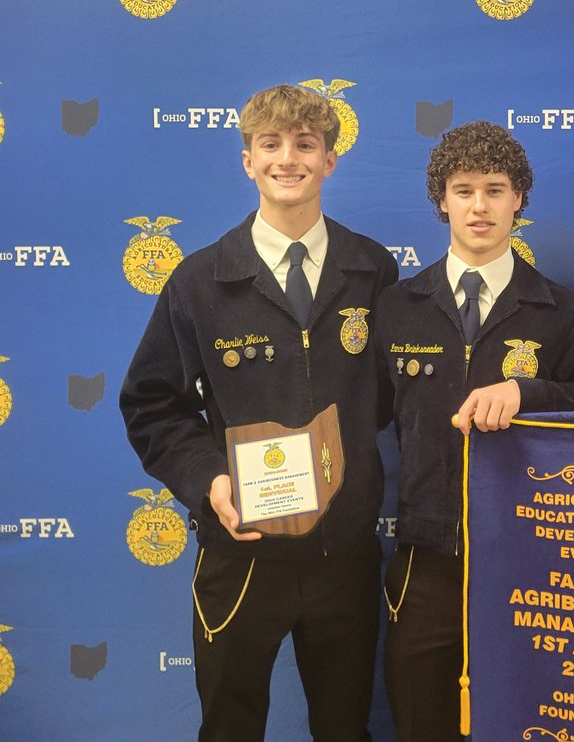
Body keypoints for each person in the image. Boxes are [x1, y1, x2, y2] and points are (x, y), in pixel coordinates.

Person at [120, 84, 398, 741]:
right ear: (248, 160)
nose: (288, 158)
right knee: (229, 726)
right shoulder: (200, 279)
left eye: (306, 144)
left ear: (330, 160)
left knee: (344, 728)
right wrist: (209, 482)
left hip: (345, 555)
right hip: (240, 550)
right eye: (270, 144)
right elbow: (152, 404)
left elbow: (389, 392)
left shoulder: (372, 269)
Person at [375, 120, 574, 741]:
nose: (479, 206)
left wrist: (528, 392)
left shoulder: (559, 310)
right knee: (420, 721)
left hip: (530, 557)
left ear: (520, 199)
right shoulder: (397, 306)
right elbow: (359, 415)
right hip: (425, 556)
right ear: (442, 201)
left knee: (526, 724)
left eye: (495, 188)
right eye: (463, 190)